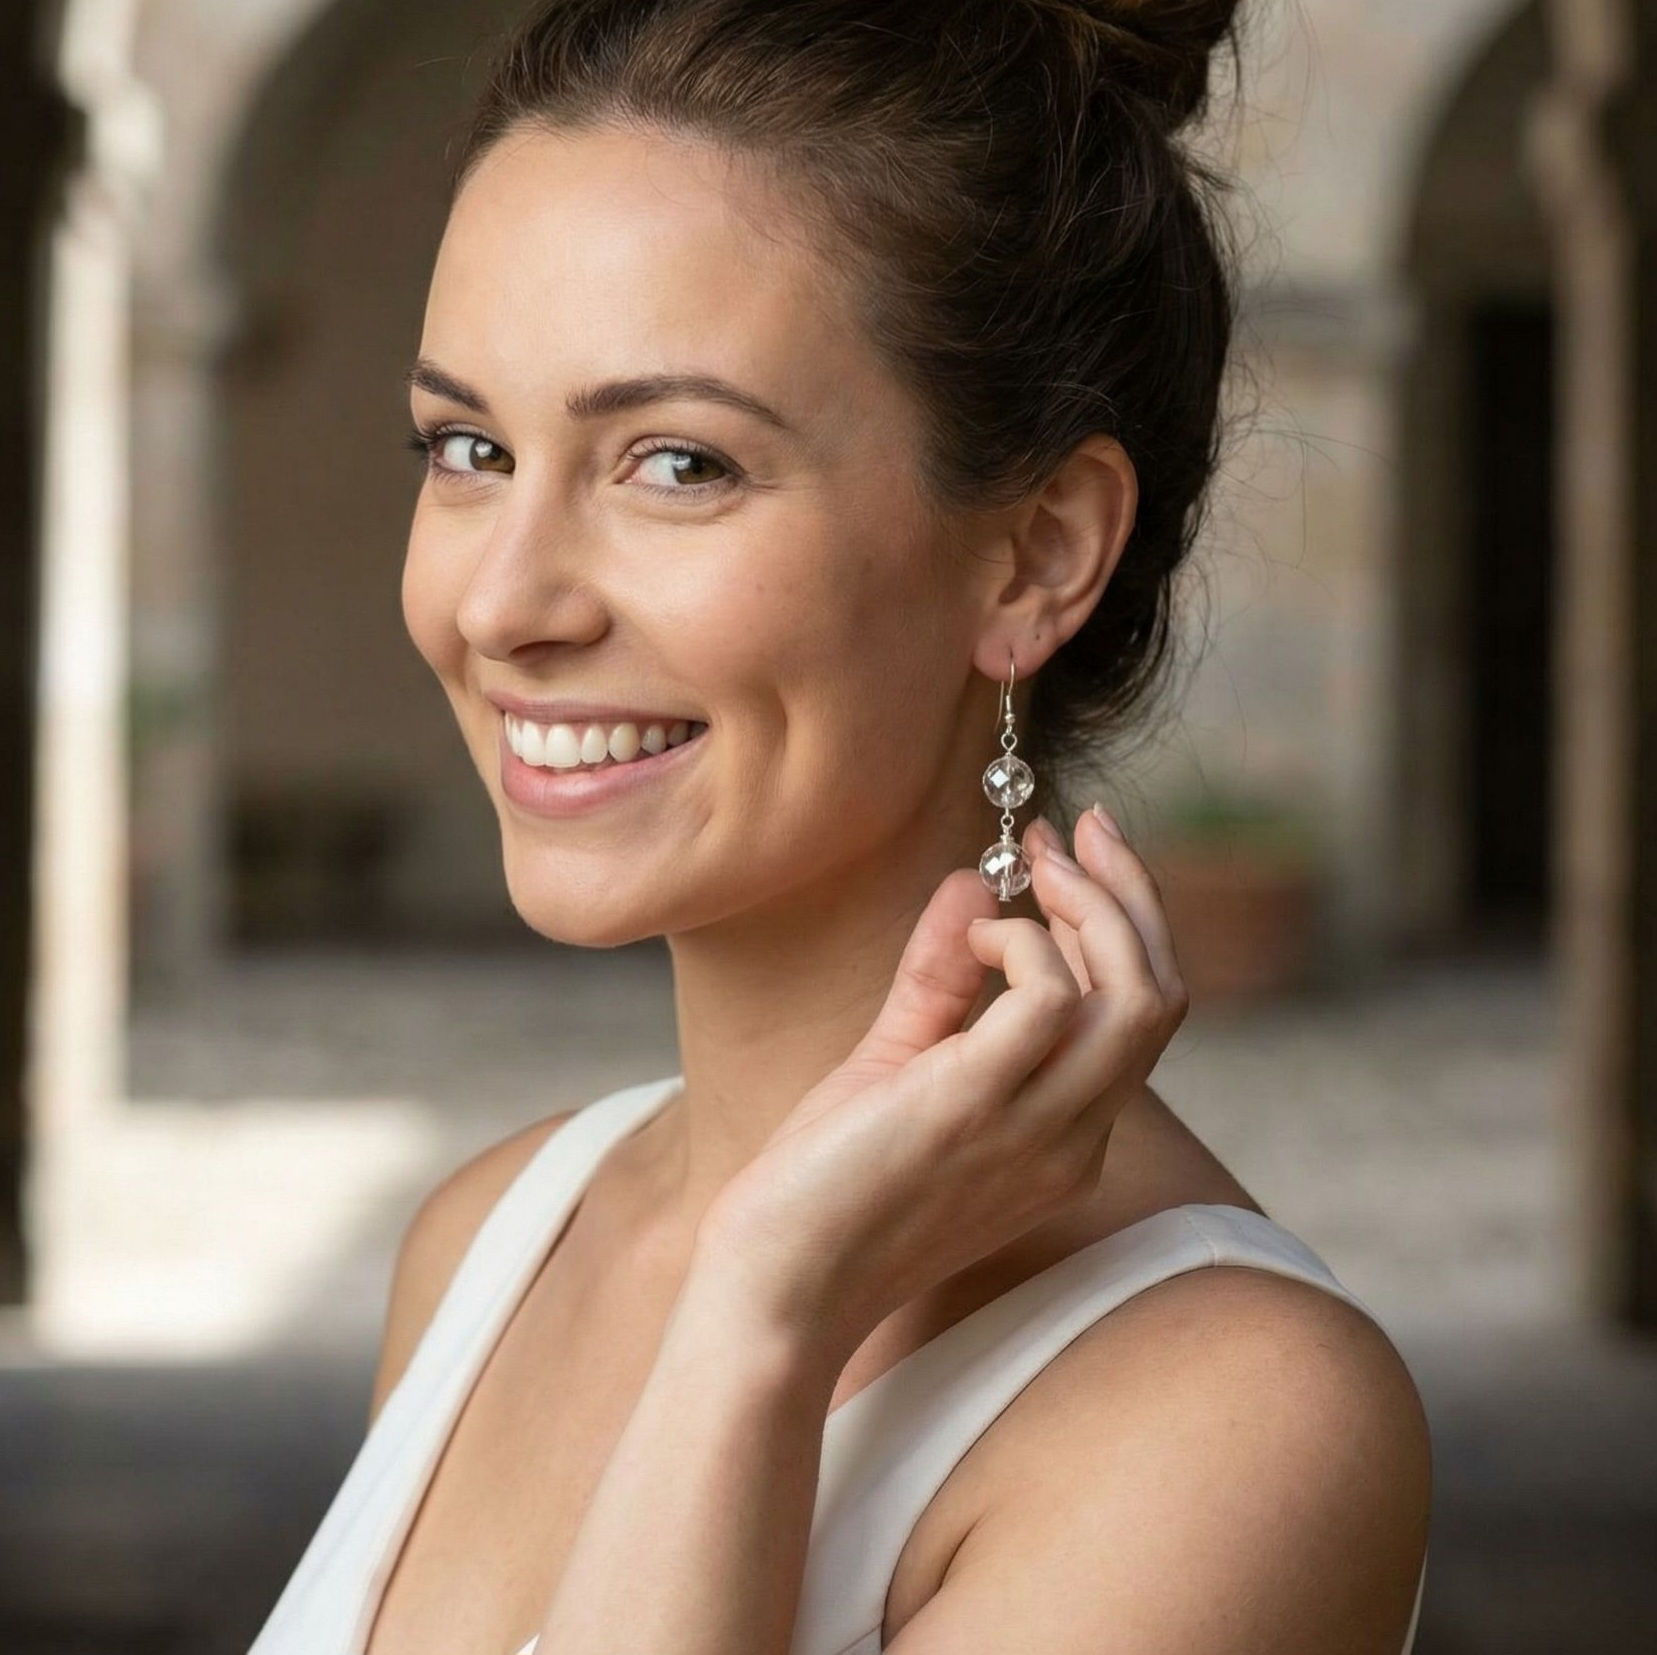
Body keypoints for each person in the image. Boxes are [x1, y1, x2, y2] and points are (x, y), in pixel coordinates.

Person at [248, 2, 1432, 1651]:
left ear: (1034, 556)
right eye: (469, 447)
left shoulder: (1226, 1424)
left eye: (675, 464)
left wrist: (759, 1328)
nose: (500, 603)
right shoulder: (493, 1240)